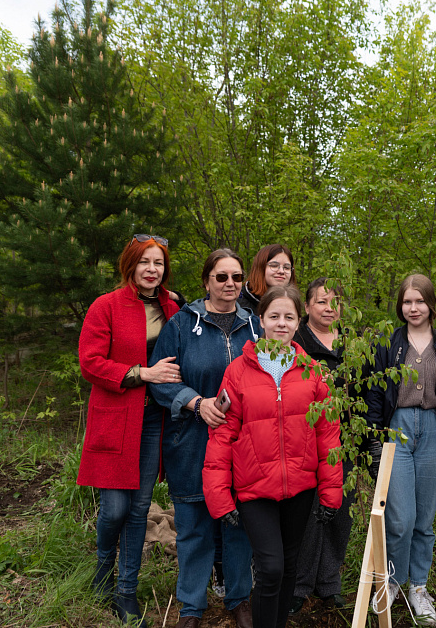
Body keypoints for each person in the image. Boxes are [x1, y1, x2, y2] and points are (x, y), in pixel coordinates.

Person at [204, 285, 343, 628]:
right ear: (261, 319)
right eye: (274, 316)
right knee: (271, 567)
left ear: (298, 322)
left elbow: (328, 435)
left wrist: (330, 493)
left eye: (289, 317)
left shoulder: (314, 371)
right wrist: (220, 498)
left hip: (300, 486)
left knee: (290, 565)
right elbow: (222, 436)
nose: (281, 323)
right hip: (254, 488)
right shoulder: (237, 372)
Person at [148, 249, 257, 628]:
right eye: (222, 277)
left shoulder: (255, 326)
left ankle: (238, 597)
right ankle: (192, 605)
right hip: (191, 439)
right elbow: (161, 382)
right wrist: (195, 403)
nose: (230, 284)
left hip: (243, 443)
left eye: (236, 278)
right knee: (193, 525)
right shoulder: (181, 325)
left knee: (239, 523)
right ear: (207, 280)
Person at [77, 234, 182, 627]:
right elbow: (90, 363)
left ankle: (125, 589)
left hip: (154, 419)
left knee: (139, 509)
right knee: (115, 509)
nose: (152, 269)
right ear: (131, 265)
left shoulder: (173, 307)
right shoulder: (106, 306)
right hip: (116, 416)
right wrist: (141, 373)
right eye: (145, 262)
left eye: (158, 263)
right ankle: (103, 570)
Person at [365, 274, 436, 625]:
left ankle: (418, 587)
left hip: (432, 430)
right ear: (400, 306)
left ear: (431, 304)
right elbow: (373, 394)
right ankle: (392, 581)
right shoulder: (387, 343)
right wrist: (373, 439)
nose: (413, 308)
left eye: (419, 301)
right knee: (400, 518)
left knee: (425, 520)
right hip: (395, 428)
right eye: (406, 302)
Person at [289, 278, 352, 613]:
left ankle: (328, 582)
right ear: (308, 307)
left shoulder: (353, 344)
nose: (330, 308)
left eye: (335, 302)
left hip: (347, 441)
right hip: (308, 440)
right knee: (310, 513)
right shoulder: (297, 341)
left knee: (340, 512)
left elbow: (367, 393)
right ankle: (300, 584)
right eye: (322, 302)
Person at [238, 243, 296, 314]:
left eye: (287, 267)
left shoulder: (292, 304)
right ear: (260, 268)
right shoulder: (238, 303)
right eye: (274, 266)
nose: (281, 271)